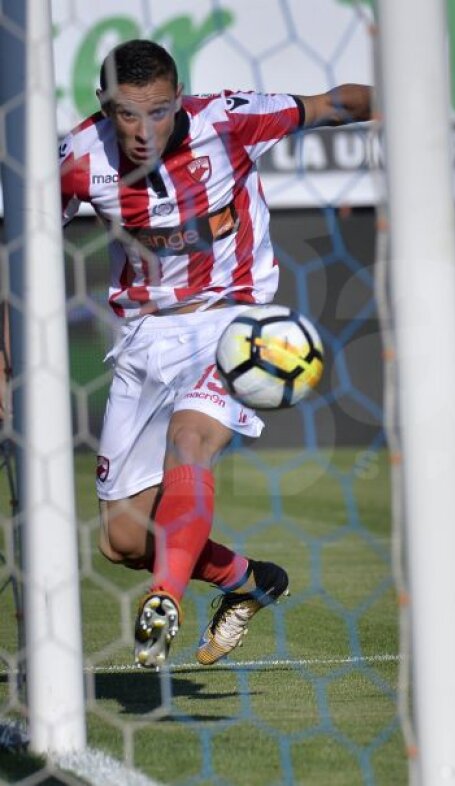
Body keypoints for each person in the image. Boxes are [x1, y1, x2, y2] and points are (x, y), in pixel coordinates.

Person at [58, 39, 373, 669]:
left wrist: (412, 102)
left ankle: (163, 601)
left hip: (238, 323)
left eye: (158, 111)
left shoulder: (229, 119)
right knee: (121, 539)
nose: (143, 131)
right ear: (102, 106)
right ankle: (249, 579)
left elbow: (333, 105)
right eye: (126, 114)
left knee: (191, 440)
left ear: (178, 100)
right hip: (145, 335)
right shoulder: (76, 156)